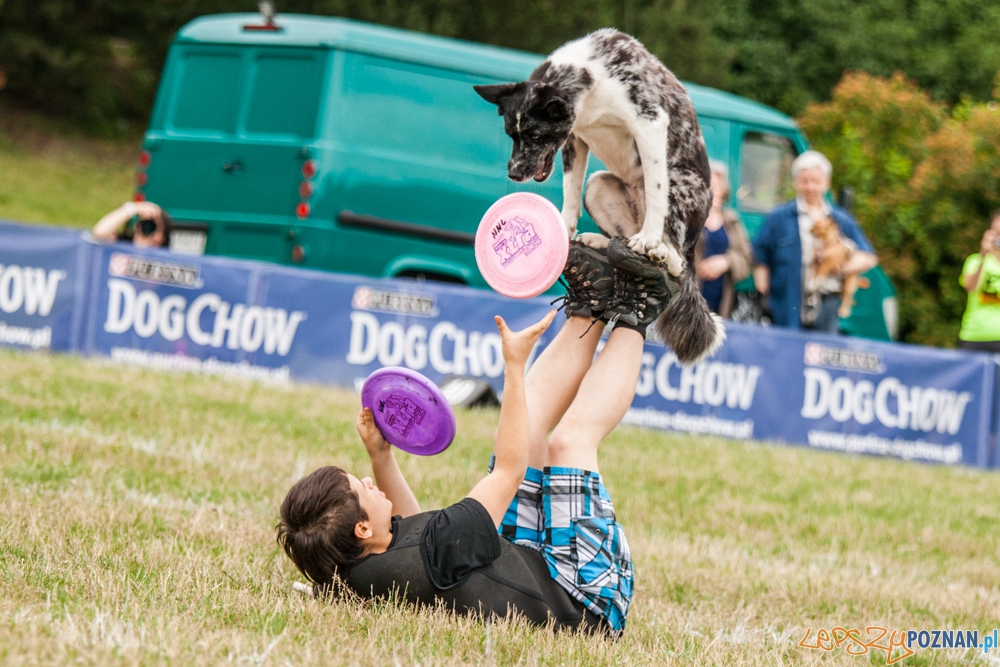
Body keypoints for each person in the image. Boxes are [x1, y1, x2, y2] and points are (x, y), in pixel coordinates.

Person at [276, 238, 677, 634]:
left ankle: (592, 304)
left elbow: (412, 529)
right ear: (361, 529)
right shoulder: (439, 547)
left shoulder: (345, 571)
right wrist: (514, 367)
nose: (367, 482)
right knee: (568, 443)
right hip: (584, 599)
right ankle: (637, 310)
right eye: (362, 488)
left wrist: (381, 458)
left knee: (531, 421)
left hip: (524, 561)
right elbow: (509, 470)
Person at [752, 150, 878, 333]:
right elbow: (759, 254)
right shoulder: (778, 218)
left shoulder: (841, 220)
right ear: (796, 182)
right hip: (786, 304)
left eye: (816, 182)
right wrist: (764, 295)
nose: (810, 187)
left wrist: (841, 265)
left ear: (826, 183)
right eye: (805, 181)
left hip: (826, 305)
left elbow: (869, 257)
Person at [695, 160, 753, 318]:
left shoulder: (732, 221)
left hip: (722, 306)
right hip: (688, 302)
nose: (717, 192)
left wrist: (726, 262)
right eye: (712, 187)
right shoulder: (689, 219)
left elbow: (747, 258)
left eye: (720, 187)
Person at [958, 211, 1000, 352]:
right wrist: (983, 254)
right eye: (996, 233)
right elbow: (970, 286)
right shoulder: (975, 260)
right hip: (974, 338)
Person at [92, 201, 172, 248]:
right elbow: (100, 232)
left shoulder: (164, 261)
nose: (147, 227)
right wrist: (135, 208)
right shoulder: (122, 244)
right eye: (143, 223)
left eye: (153, 226)